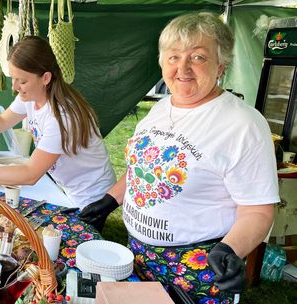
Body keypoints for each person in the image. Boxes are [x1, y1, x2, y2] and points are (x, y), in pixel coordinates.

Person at [78, 12, 279, 303]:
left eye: (198, 57)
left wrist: (230, 249)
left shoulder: (243, 125)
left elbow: (258, 210)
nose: (182, 67)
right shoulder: (161, 109)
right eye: (173, 57)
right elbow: (145, 166)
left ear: (221, 65)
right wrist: (110, 200)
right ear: (162, 63)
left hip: (198, 265)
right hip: (138, 255)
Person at [0, 36, 116, 229]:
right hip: (67, 187)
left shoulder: (61, 118)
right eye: (13, 78)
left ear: (46, 78)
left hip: (91, 195)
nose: (15, 87)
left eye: (21, 81)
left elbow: (30, 174)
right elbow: (2, 121)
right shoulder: (31, 96)